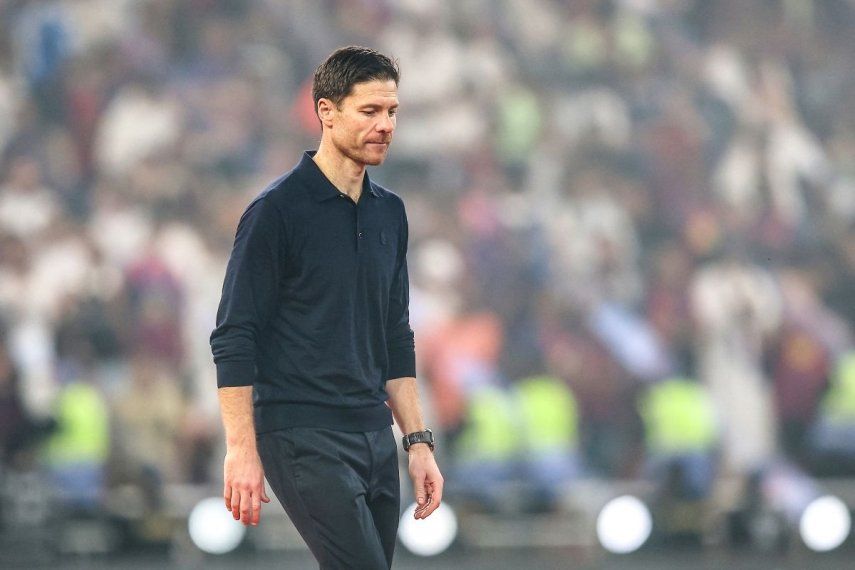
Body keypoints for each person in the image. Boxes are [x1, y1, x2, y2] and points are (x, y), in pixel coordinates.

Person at [210, 46, 443, 569]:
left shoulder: (391, 213)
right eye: (370, 111)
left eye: (392, 112)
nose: (385, 125)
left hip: (373, 432)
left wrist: (417, 442)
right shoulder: (276, 212)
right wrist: (241, 449)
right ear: (326, 112)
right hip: (300, 433)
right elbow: (233, 334)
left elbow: (394, 334)